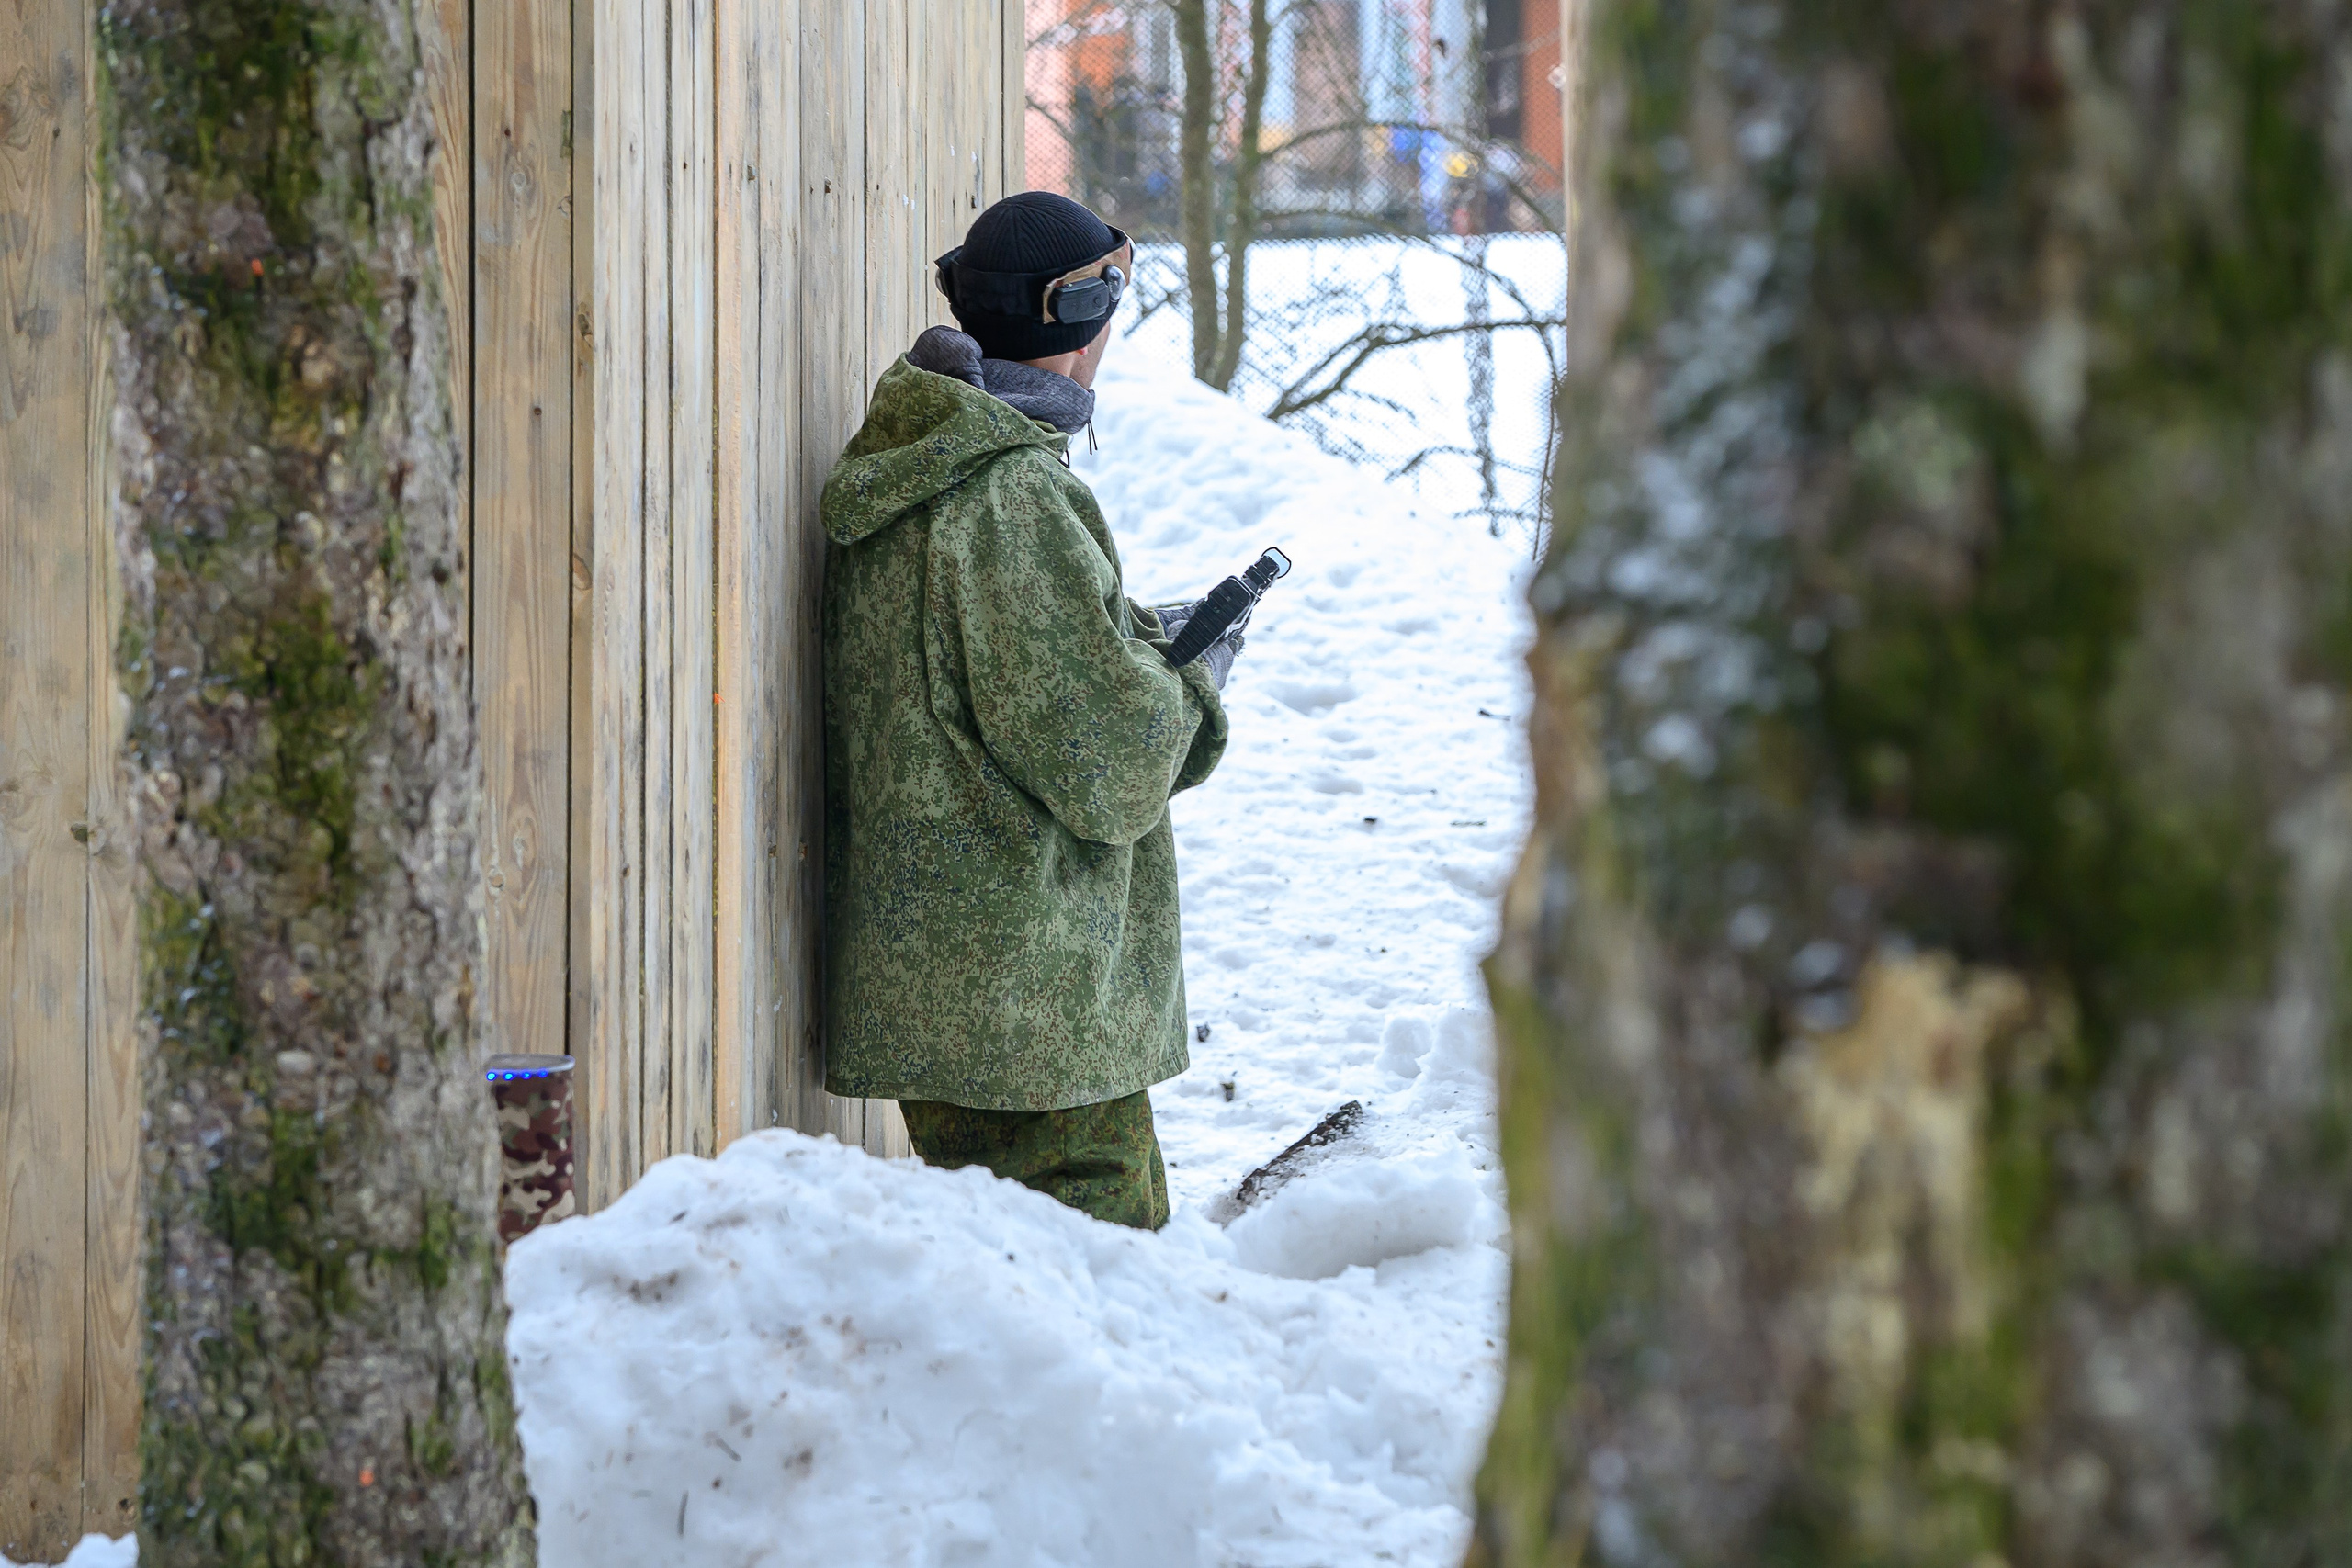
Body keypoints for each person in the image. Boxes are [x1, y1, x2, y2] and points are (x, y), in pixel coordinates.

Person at [819, 191, 1244, 1230]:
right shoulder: (1010, 496)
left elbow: (984, 676)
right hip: (1033, 1008)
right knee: (1099, 1278)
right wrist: (1192, 680)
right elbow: (1109, 766)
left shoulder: (923, 463)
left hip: (967, 991)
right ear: (1083, 317)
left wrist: (1126, 636)